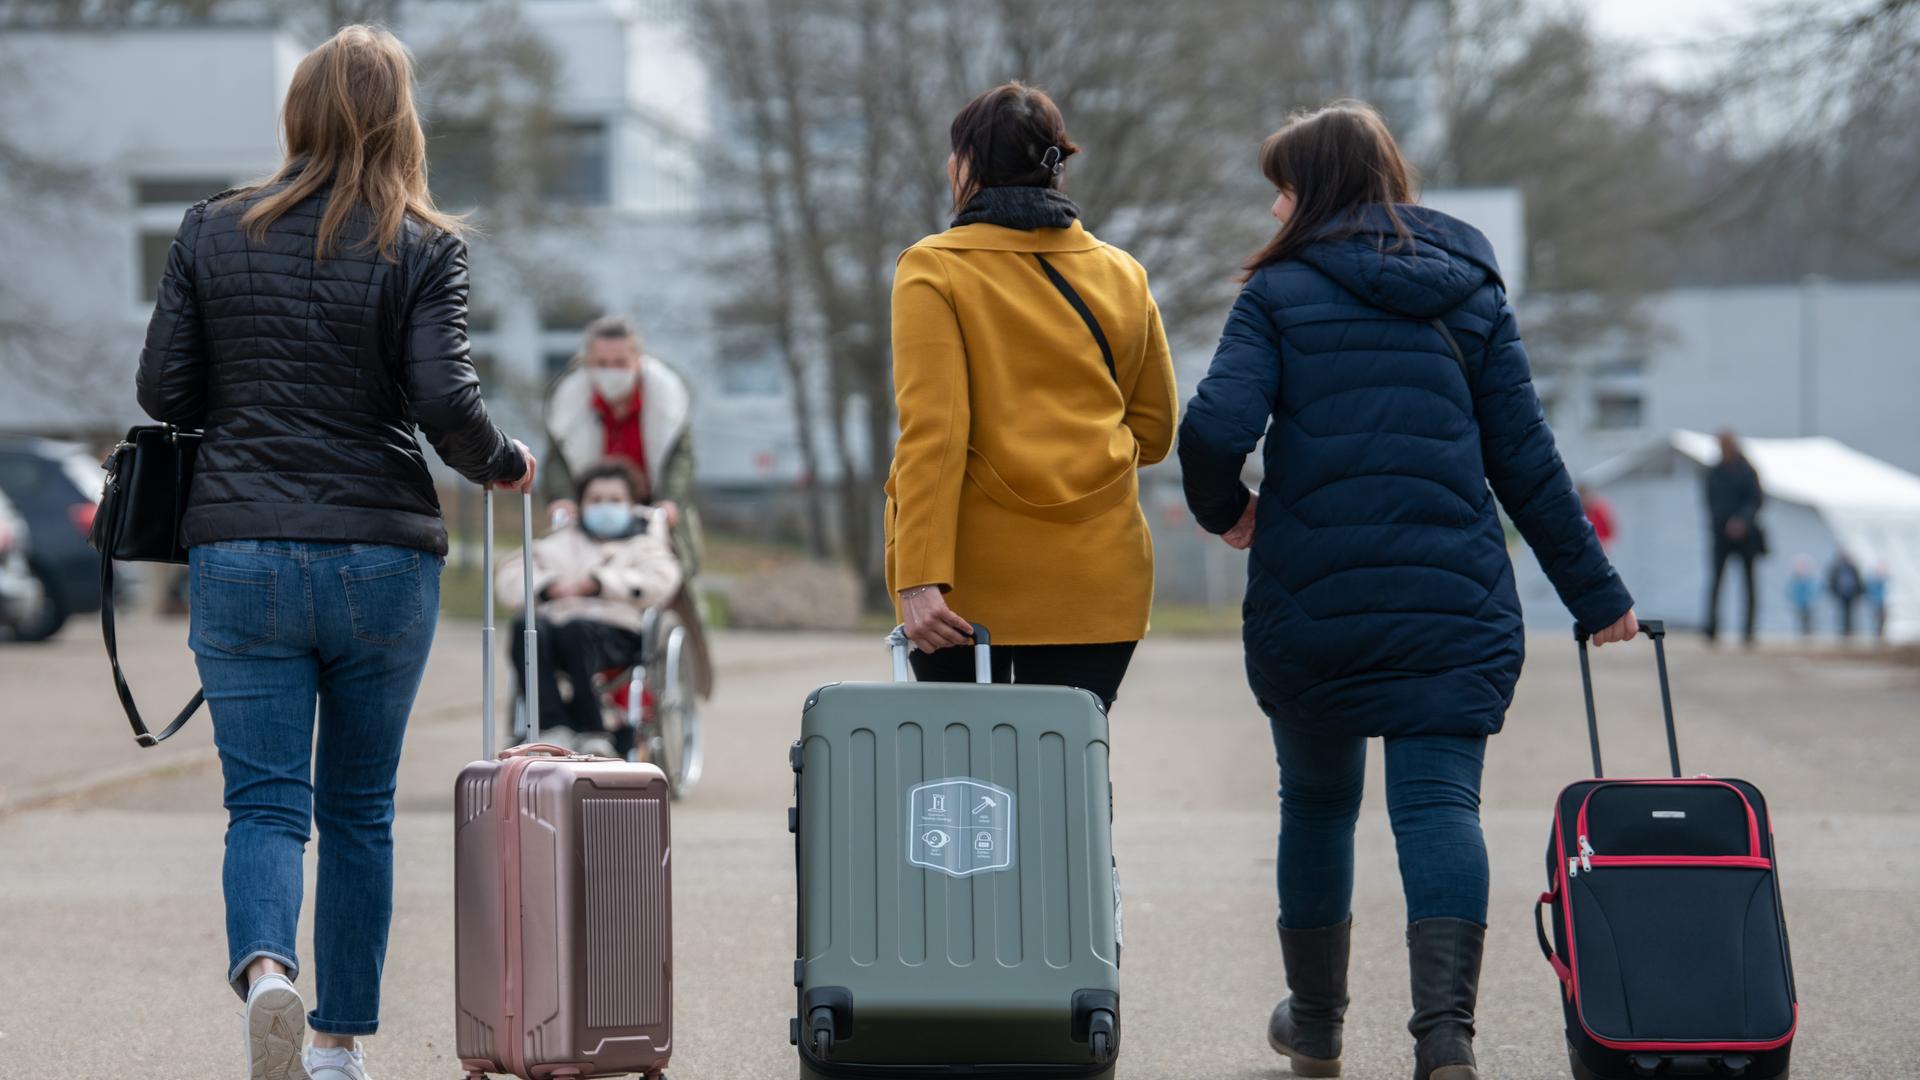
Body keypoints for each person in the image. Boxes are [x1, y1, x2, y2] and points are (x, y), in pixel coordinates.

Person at [1177, 101, 1635, 1080]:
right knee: (1438, 810)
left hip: (1315, 601)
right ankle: (1445, 1044)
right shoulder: (1470, 292)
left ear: (1315, 191)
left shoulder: (1280, 292)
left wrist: (1228, 512)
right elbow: (1527, 460)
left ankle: (1318, 1024)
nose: (1274, 210)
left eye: (1282, 189)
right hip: (1449, 599)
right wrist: (1597, 596)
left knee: (1317, 805)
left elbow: (1215, 427)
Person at [133, 25, 536, 1080]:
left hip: (242, 552)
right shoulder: (423, 243)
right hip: (379, 558)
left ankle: (268, 972)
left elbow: (164, 392)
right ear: (402, 120)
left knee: (266, 804)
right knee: (360, 809)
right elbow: (447, 400)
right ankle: (338, 1047)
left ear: (298, 112)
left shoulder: (210, 229)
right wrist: (502, 461)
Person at [885, 82, 1178, 711]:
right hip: (1099, 576)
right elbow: (1154, 431)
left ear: (968, 164)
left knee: (965, 789)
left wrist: (916, 577)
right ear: (1056, 165)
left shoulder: (934, 268)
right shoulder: (1123, 273)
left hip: (966, 589)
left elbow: (934, 434)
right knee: (1066, 783)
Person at [497, 459, 682, 756]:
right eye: (595, 500)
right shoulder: (561, 541)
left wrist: (600, 583)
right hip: (556, 626)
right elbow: (510, 576)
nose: (604, 506)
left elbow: (662, 580)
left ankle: (594, 728)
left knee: (577, 631)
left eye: (615, 500)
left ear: (632, 504)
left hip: (616, 631)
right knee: (525, 628)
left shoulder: (644, 544)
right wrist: (547, 586)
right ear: (581, 504)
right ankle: (553, 726)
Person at [543, 315, 699, 572]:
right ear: (588, 362)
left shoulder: (669, 401)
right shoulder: (566, 404)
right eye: (601, 363)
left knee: (674, 577)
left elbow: (680, 458)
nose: (610, 371)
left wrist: (670, 500)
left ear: (638, 360)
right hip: (591, 512)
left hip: (652, 510)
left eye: (619, 363)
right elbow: (558, 458)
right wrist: (562, 499)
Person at [1704, 428, 1765, 645]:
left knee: (1748, 583)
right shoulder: (1714, 471)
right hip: (1721, 535)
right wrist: (1721, 524)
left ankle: (1748, 630)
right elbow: (1709, 501)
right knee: (1716, 581)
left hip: (1745, 536)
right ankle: (1711, 628)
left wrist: (1742, 520)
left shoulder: (1747, 470)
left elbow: (1756, 499)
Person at [1829, 551, 1864, 639]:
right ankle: (1843, 632)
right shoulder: (1837, 568)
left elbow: (1858, 581)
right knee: (1842, 614)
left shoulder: (1853, 568)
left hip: (1851, 594)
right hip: (1841, 595)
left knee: (1850, 614)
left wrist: (1859, 593)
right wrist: (1834, 592)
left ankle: (1850, 632)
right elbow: (1832, 581)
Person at [1788, 554, 1819, 637]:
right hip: (1799, 603)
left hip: (1808, 603)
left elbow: (1813, 591)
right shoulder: (1795, 580)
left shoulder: (1809, 579)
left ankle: (1808, 634)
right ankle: (1802, 634)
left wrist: (1811, 599)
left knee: (1809, 620)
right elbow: (1791, 592)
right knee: (1800, 620)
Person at [1579, 483, 1616, 549]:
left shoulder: (1600, 510)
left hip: (1603, 547)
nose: (1585, 499)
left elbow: (1610, 530)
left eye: (1586, 494)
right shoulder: (1579, 514)